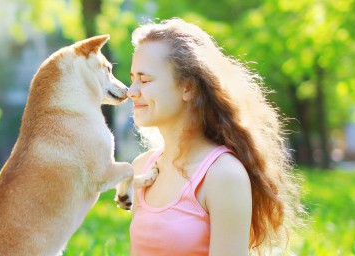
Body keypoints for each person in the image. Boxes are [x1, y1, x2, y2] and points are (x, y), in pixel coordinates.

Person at [127, 18, 302, 255]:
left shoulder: (223, 174)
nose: (132, 92)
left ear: (188, 88)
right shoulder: (142, 168)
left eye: (145, 80)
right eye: (132, 79)